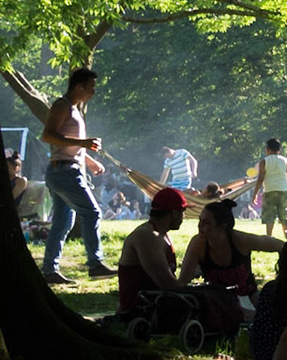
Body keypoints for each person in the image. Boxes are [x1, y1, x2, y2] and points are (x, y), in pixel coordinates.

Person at [40, 67, 112, 284]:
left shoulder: (75, 110)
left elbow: (69, 146)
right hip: (64, 172)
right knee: (92, 213)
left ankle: (50, 271)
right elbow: (48, 135)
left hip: (65, 169)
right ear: (79, 87)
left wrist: (89, 160)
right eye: (91, 88)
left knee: (63, 223)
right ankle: (95, 264)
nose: (93, 92)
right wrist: (83, 143)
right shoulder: (62, 105)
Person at [179, 198, 280, 303]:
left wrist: (284, 273)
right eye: (200, 220)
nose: (199, 226)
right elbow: (182, 282)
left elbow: (280, 245)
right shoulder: (198, 243)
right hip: (217, 301)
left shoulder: (240, 240)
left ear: (222, 227)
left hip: (248, 297)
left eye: (206, 223)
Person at [116, 187, 193, 313]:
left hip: (155, 308)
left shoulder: (161, 235)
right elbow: (167, 284)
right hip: (140, 314)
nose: (183, 217)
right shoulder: (147, 236)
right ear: (174, 213)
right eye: (183, 211)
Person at [248, 138, 287, 239]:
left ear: (267, 149)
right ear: (279, 150)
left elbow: (260, 179)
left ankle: (269, 237)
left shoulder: (264, 162)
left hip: (269, 191)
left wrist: (255, 194)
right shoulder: (285, 161)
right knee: (284, 216)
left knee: (269, 217)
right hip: (283, 191)